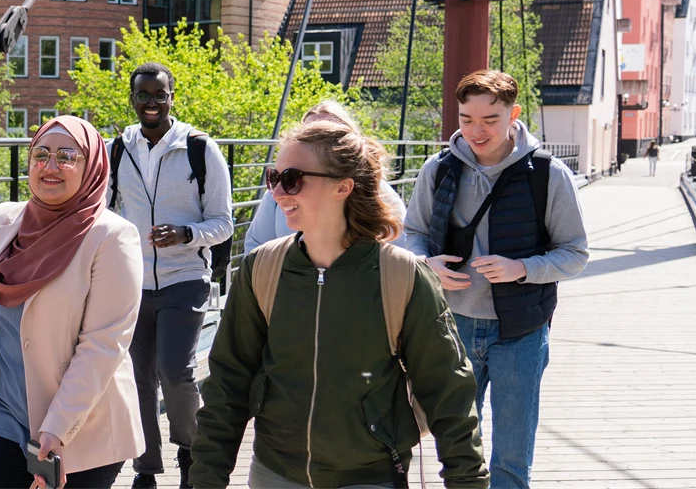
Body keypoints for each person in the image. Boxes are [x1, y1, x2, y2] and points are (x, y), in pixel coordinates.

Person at [189, 121, 488, 489]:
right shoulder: (260, 270)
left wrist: (467, 481)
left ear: (343, 187)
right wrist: (205, 479)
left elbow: (449, 394)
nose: (278, 193)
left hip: (370, 476)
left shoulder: (402, 275)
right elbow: (227, 384)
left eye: (293, 179)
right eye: (273, 178)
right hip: (274, 473)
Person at [401, 69, 589, 489]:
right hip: (452, 327)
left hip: (520, 332)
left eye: (489, 119)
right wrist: (425, 263)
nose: (476, 130)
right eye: (466, 119)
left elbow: (575, 253)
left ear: (514, 114)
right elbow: (411, 233)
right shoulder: (438, 169)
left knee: (511, 459)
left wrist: (522, 269)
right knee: (457, 449)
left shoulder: (548, 175)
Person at [0, 116, 145, 489]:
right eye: (40, 154)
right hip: (2, 413)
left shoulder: (112, 237)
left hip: (83, 426)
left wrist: (57, 428)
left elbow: (103, 344)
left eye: (66, 156)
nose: (51, 166)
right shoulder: (2, 221)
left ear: (90, 165)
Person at [106, 62, 234, 489]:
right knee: (137, 378)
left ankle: (189, 450)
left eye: (159, 95)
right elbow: (103, 211)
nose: (151, 103)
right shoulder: (118, 149)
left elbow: (225, 222)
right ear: (132, 99)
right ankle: (145, 468)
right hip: (132, 282)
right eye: (142, 95)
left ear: (172, 97)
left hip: (185, 279)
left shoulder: (199, 147)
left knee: (175, 371)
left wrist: (186, 234)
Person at [243, 100, 410, 253]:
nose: (279, 192)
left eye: (329, 135)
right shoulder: (277, 193)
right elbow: (256, 247)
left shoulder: (383, 196)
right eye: (308, 133)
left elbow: (400, 254)